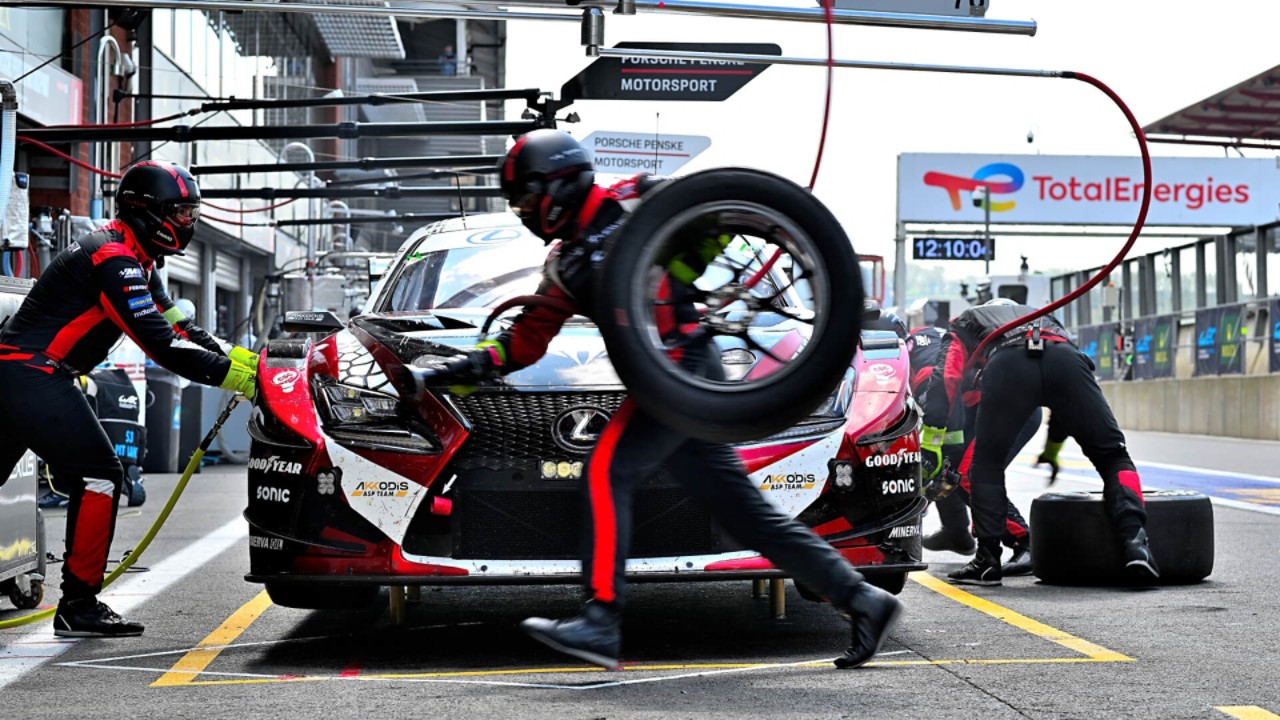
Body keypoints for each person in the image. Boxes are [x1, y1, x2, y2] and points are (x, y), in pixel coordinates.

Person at [403, 128, 902, 670]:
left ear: (558, 182)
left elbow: (716, 222)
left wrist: (677, 272)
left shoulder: (635, 199)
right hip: (669, 385)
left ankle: (600, 620)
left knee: (605, 471)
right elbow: (524, 341)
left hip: (684, 369)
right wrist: (449, 372)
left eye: (525, 196)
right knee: (747, 513)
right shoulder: (564, 263)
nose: (523, 210)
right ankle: (865, 600)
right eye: (516, 202)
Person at [0, 160, 258, 637]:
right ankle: (78, 604)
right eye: (181, 213)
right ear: (147, 211)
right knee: (100, 474)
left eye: (191, 212)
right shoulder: (114, 260)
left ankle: (79, 603)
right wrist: (243, 383)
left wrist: (254, 366)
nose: (189, 223)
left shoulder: (135, 257)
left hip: (25, 376)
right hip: (33, 376)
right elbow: (163, 346)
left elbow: (183, 329)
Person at [919, 298, 1158, 587]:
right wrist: (1052, 448)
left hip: (1008, 364)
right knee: (1113, 457)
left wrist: (931, 438)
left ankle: (987, 560)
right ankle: (1136, 545)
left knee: (986, 466)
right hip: (1065, 359)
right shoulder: (1045, 317)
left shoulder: (966, 320)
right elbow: (1064, 398)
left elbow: (947, 376)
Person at [907, 325, 1037, 576]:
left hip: (1008, 408)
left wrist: (926, 484)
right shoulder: (924, 337)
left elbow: (949, 426)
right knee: (947, 468)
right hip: (989, 405)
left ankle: (1026, 541)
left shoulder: (922, 371)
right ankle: (956, 533)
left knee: (967, 476)